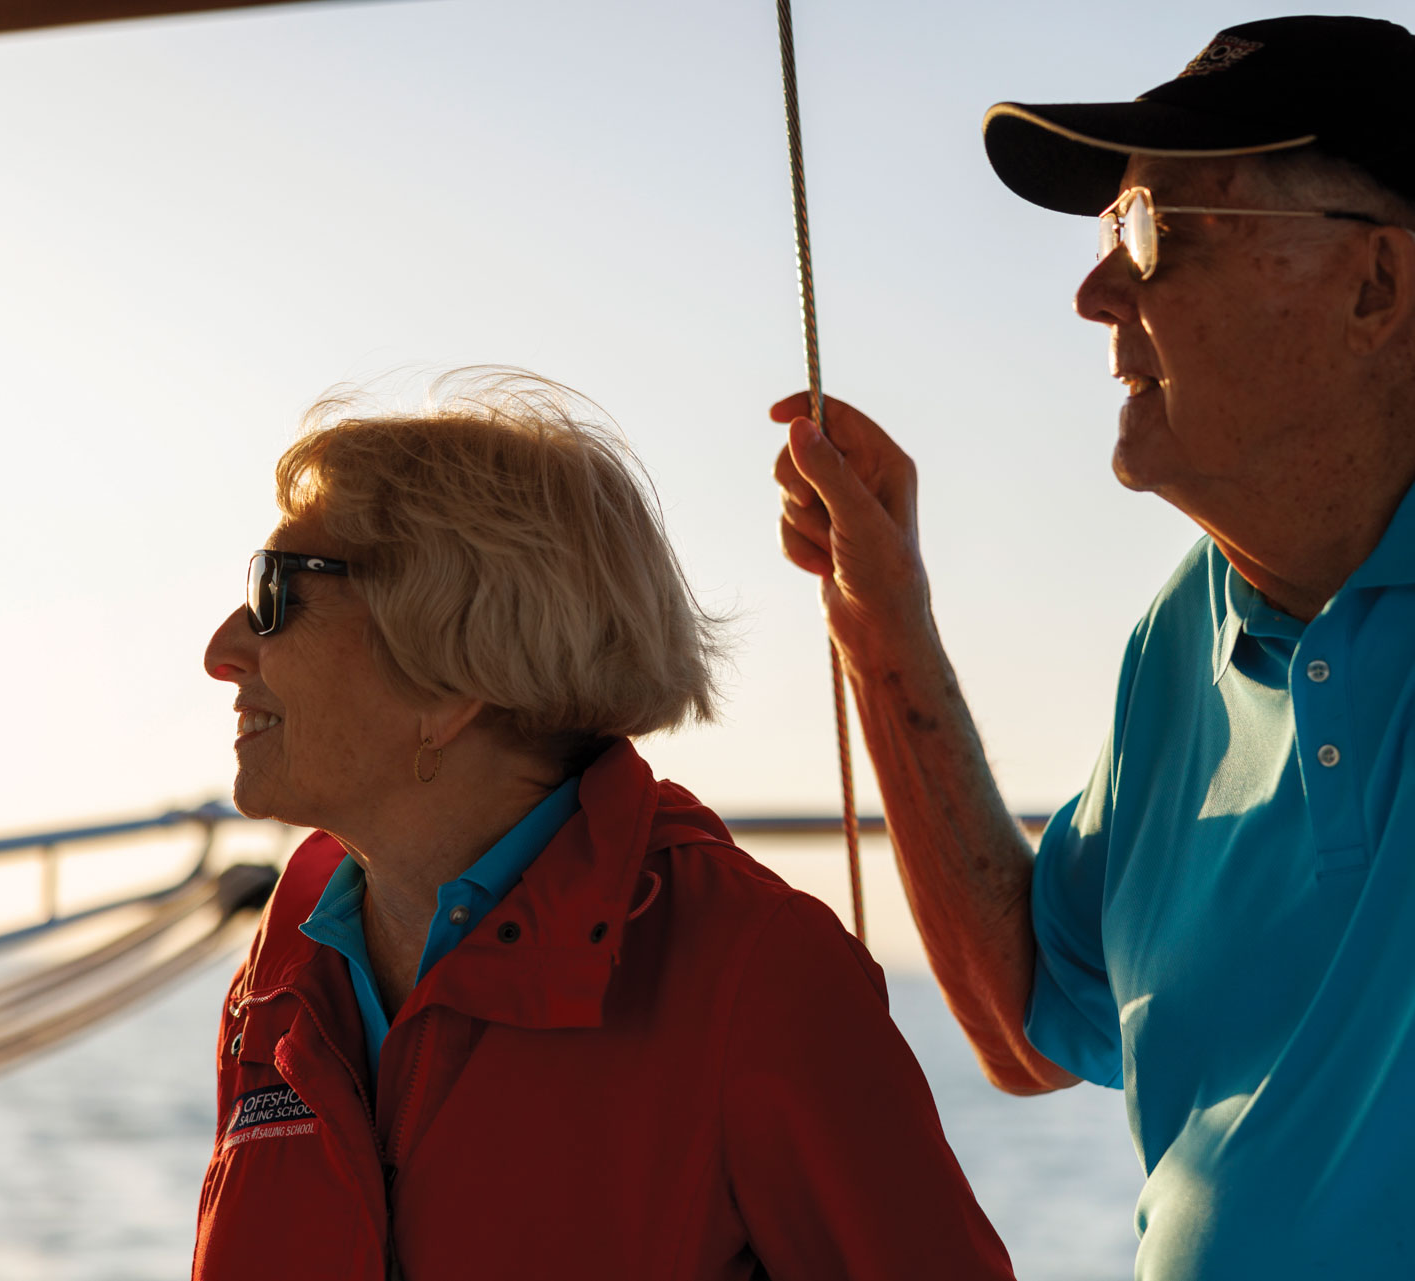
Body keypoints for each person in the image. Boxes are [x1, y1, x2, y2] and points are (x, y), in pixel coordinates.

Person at [770, 15, 1415, 1279]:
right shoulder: (1174, 645)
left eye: (1155, 232)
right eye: (1110, 237)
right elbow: (1029, 1025)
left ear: (1377, 284)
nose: (1096, 290)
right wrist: (884, 626)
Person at [196, 371, 1013, 1280]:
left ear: (449, 669)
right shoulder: (276, 988)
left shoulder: (756, 977)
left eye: (276, 591)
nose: (222, 651)